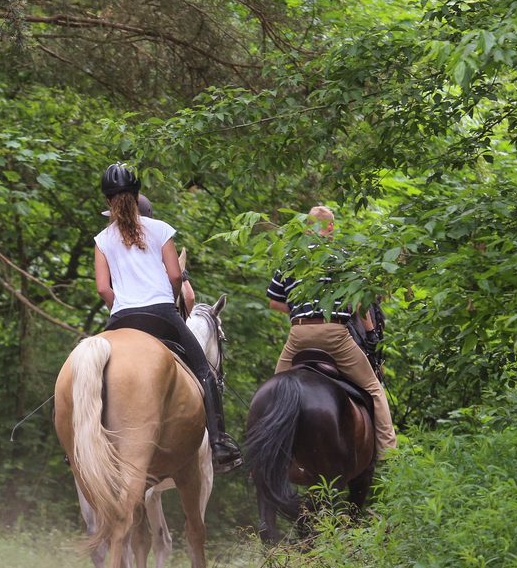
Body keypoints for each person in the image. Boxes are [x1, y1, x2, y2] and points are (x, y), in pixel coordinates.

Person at [94, 163, 242, 473]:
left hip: (122, 317)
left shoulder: (102, 239)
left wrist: (120, 305)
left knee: (92, 368)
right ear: (136, 195)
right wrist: (168, 297)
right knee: (204, 369)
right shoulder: (160, 229)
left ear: (108, 200)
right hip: (162, 314)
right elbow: (175, 275)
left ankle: (82, 440)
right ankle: (218, 443)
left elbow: (102, 288)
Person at [267, 205, 397, 453]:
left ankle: (267, 455)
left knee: (274, 390)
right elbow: (360, 304)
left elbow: (274, 301)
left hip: (299, 336)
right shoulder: (344, 257)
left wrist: (299, 311)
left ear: (307, 227)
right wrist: (370, 335)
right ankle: (389, 455)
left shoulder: (292, 259)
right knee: (374, 389)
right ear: (331, 227)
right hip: (335, 336)